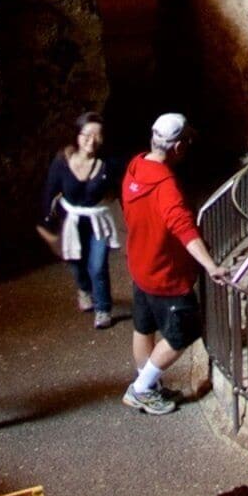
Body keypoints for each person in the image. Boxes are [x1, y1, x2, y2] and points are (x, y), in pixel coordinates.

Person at [119, 112, 223, 414]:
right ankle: (140, 389)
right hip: (165, 274)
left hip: (140, 265)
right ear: (178, 148)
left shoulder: (135, 167)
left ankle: (148, 386)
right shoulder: (166, 187)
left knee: (144, 326)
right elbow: (184, 228)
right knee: (185, 329)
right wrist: (210, 265)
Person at [35, 111, 123, 330]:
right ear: (77, 135)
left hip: (96, 221)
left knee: (97, 265)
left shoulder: (107, 165)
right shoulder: (62, 161)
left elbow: (122, 190)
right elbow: (50, 190)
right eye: (86, 134)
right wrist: (47, 222)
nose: (90, 141)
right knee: (75, 263)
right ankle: (84, 289)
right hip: (71, 220)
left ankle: (103, 308)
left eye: (97, 136)